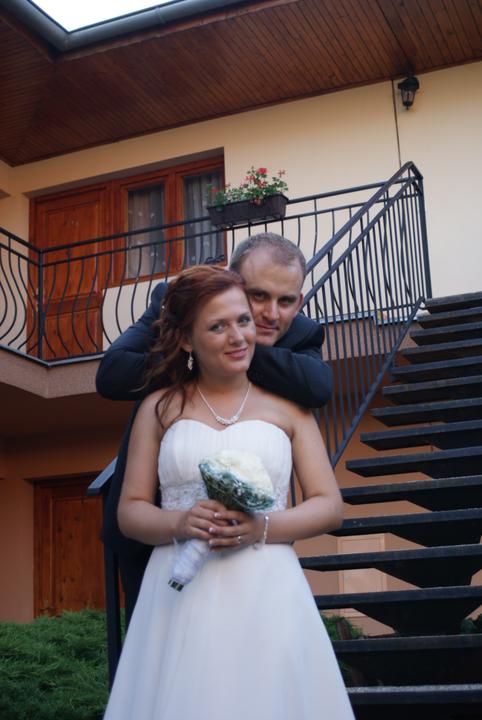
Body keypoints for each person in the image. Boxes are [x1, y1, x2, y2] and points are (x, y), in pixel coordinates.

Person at [102, 265, 353, 720]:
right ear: (186, 339)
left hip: (267, 587)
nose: (238, 337)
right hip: (177, 591)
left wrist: (263, 527)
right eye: (218, 327)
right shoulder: (160, 407)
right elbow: (130, 511)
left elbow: (328, 505)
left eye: (243, 321)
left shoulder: (289, 408)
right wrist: (179, 522)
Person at [97, 232, 333, 623]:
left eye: (286, 300)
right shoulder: (177, 302)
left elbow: (318, 387)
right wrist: (199, 347)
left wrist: (232, 349)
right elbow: (112, 375)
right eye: (258, 296)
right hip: (154, 538)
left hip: (255, 553)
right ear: (233, 282)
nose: (271, 314)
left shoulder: (302, 332)